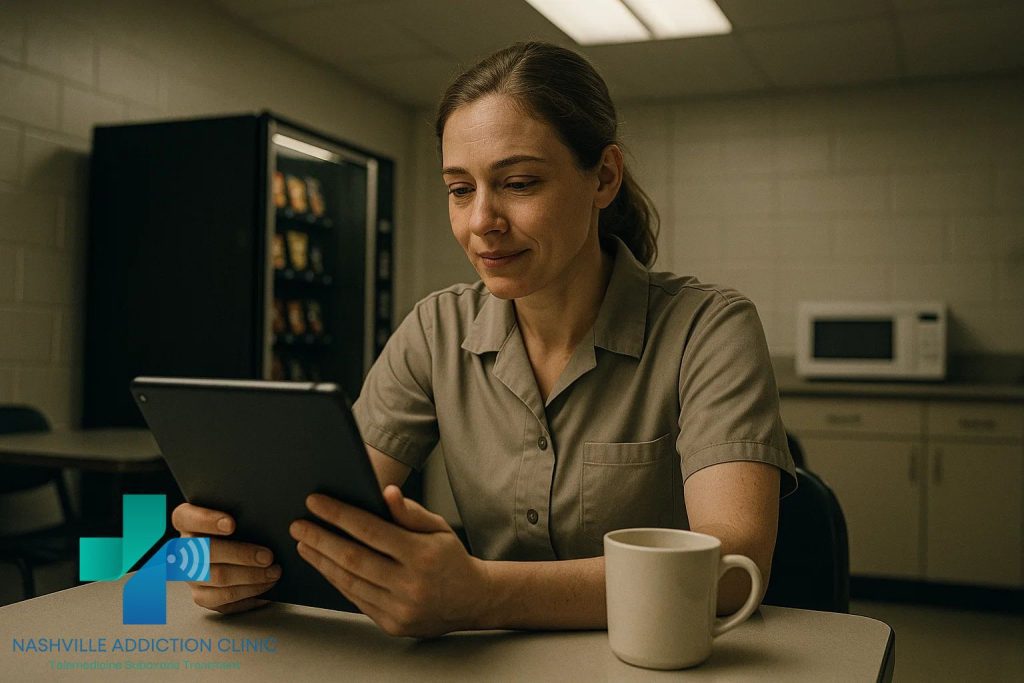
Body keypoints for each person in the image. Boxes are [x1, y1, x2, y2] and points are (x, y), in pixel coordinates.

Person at [172, 41, 796, 638]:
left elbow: (731, 571)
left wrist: (484, 594)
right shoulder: (435, 329)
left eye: (519, 183)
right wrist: (240, 556)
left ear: (603, 177)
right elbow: (329, 518)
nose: (481, 225)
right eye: (460, 189)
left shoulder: (709, 328)